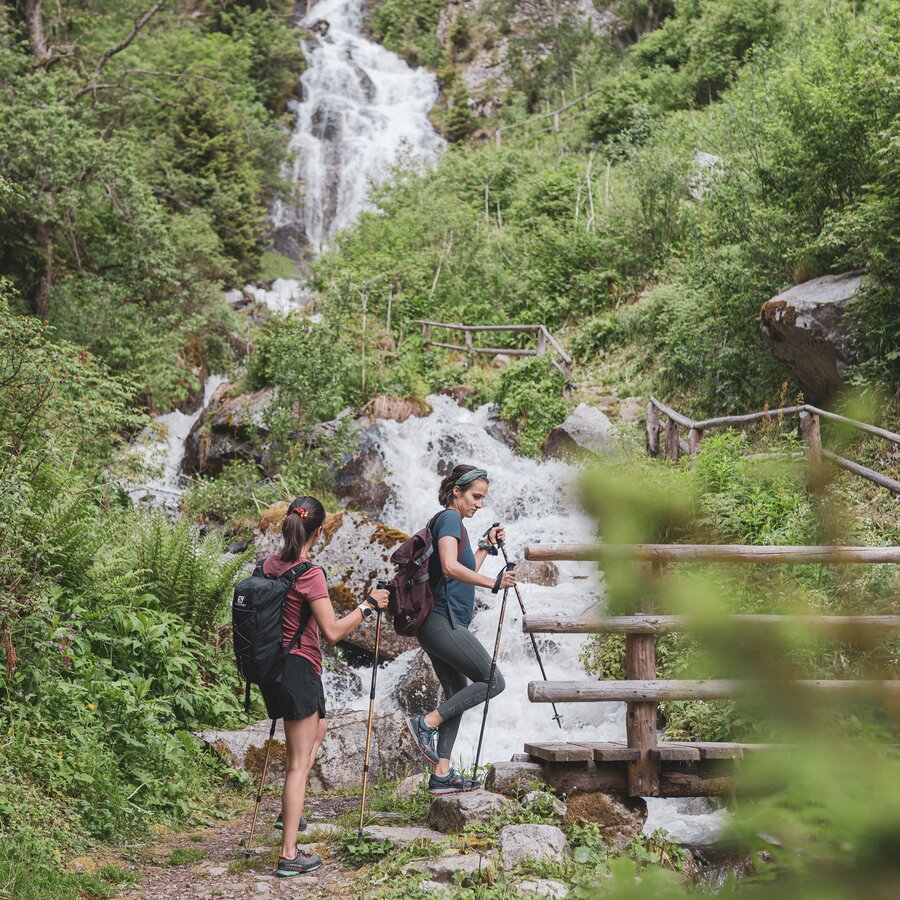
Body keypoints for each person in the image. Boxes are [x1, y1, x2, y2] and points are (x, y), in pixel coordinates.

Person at [261, 496, 389, 878]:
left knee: (320, 729)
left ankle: (290, 813)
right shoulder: (308, 572)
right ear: (319, 532)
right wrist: (367, 606)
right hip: (299, 668)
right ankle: (288, 854)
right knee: (298, 764)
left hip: (276, 667)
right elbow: (332, 632)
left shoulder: (269, 564)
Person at [405, 465, 516, 793]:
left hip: (436, 625)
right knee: (493, 681)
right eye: (475, 496)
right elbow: (452, 569)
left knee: (457, 692)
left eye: (483, 498)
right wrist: (495, 583)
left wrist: (486, 545)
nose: (480, 503)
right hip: (443, 622)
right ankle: (425, 723)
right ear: (457, 491)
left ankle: (442, 774)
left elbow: (464, 567)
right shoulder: (450, 518)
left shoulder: (452, 525)